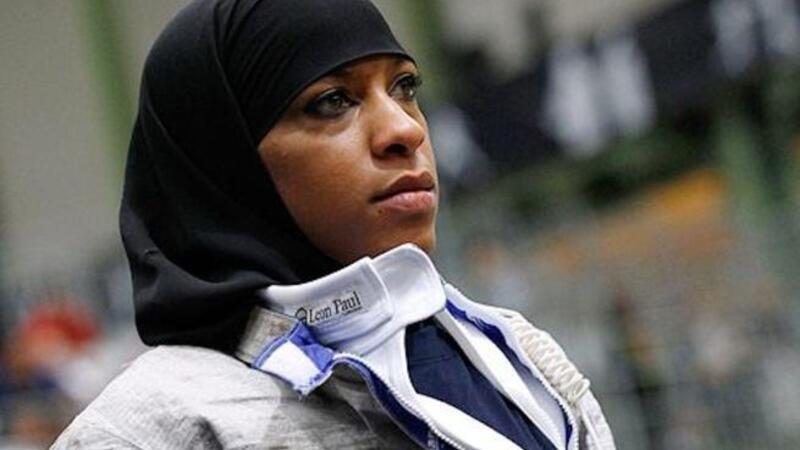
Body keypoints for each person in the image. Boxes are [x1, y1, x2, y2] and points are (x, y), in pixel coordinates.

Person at [52, 0, 615, 449]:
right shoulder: (153, 428)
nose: (405, 130)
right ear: (226, 163)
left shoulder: (520, 356)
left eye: (404, 88)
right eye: (332, 101)